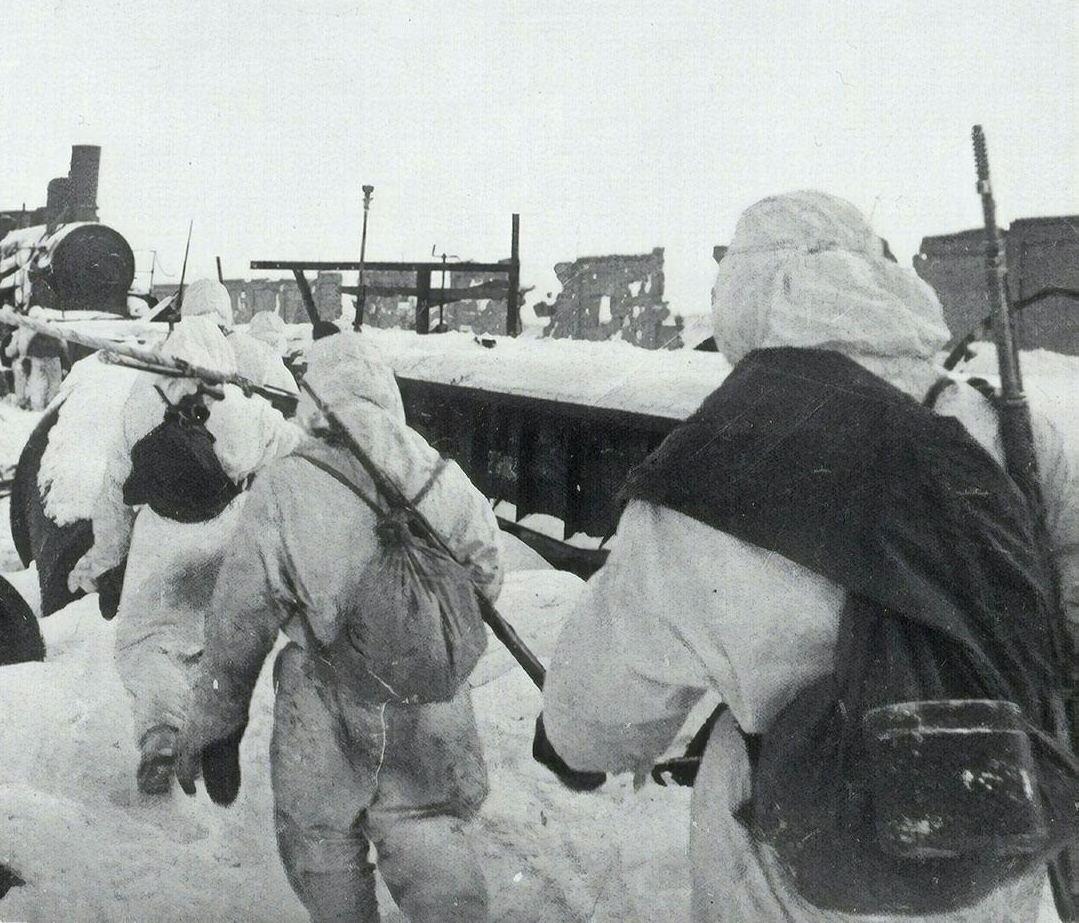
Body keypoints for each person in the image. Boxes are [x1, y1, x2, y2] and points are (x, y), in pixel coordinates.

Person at [537, 191, 1079, 922]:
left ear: (749, 298)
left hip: (807, 858)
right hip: (995, 837)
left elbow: (602, 704)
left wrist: (573, 746)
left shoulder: (711, 468)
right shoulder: (1007, 429)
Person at [177, 334, 503, 923]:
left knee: (321, 840)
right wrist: (416, 626)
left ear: (314, 397)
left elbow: (240, 619)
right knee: (428, 829)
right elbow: (485, 576)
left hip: (324, 695)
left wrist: (216, 725)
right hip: (428, 699)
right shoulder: (440, 473)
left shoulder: (287, 482)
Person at [68, 279, 300, 794]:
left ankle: (161, 733)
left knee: (146, 643)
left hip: (160, 537)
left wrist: (107, 560)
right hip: (225, 538)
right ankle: (213, 731)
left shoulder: (142, 395)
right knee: (214, 645)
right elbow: (293, 451)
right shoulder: (239, 400)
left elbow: (114, 488)